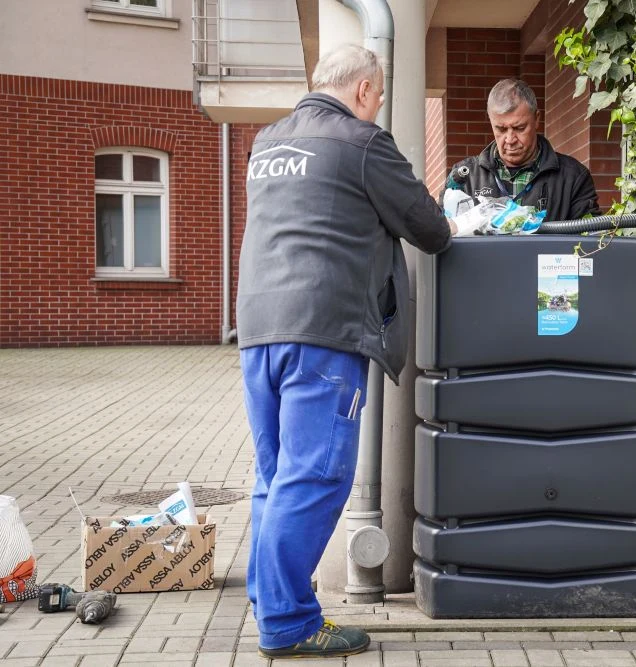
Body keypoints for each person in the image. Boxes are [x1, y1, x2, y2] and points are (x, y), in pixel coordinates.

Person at [236, 44, 453, 659]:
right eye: (378, 98)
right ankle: (288, 622)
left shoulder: (269, 142)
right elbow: (429, 228)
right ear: (363, 91)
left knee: (275, 473)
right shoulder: (361, 143)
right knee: (317, 476)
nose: (377, 108)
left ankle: (266, 593)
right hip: (322, 329)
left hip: (257, 325)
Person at [442, 78, 601, 222]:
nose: (510, 140)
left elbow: (591, 242)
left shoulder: (574, 177)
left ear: (537, 118)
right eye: (501, 129)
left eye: (519, 128)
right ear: (491, 122)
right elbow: (441, 232)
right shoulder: (464, 177)